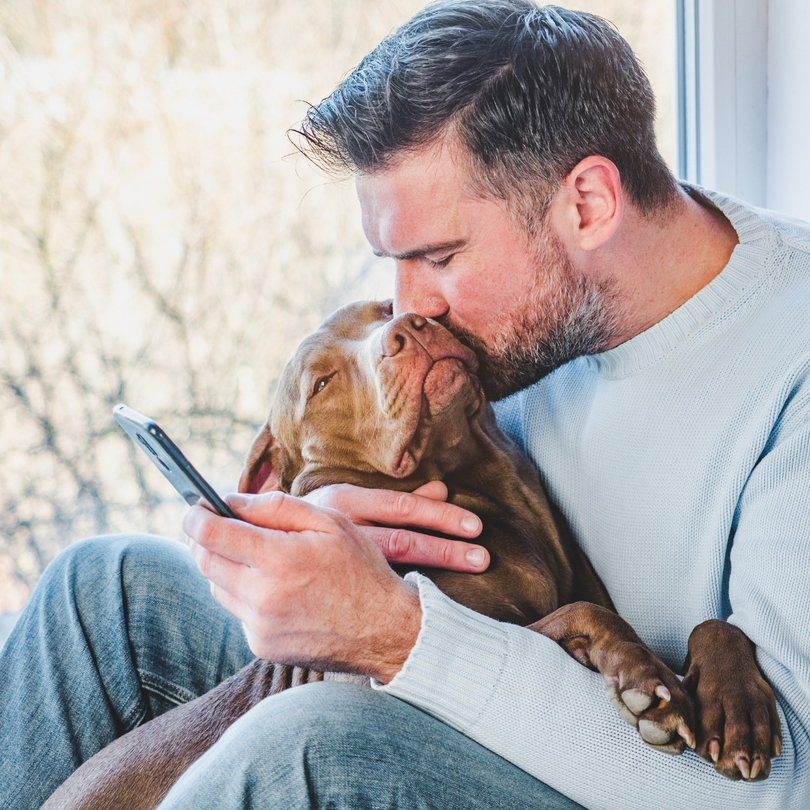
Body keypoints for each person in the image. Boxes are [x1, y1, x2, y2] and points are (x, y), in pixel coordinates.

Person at [2, 1, 809, 807]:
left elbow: (777, 792)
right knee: (101, 589)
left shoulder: (790, 372)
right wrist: (325, 525)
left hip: (623, 774)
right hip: (497, 652)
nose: (409, 310)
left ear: (588, 204)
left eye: (440, 257)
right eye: (392, 263)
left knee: (305, 743)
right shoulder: (530, 313)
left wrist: (396, 632)